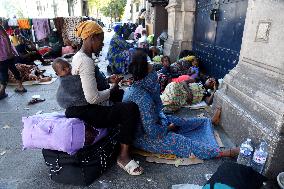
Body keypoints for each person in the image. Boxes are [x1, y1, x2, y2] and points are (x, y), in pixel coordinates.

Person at [123, 49, 239, 160]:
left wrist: (169, 124)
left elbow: (153, 118)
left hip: (154, 124)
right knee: (178, 141)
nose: (155, 74)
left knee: (179, 120)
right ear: (146, 76)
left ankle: (208, 122)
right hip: (144, 137)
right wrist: (169, 128)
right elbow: (153, 133)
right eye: (152, 72)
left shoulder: (140, 87)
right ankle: (224, 153)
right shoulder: (143, 98)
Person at [61, 21, 143, 176]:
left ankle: (122, 133)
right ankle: (123, 156)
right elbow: (92, 98)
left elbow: (88, 82)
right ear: (92, 38)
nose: (102, 44)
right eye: (101, 40)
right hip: (85, 110)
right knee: (129, 108)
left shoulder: (80, 56)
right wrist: (111, 89)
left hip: (78, 106)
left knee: (120, 95)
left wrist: (107, 81)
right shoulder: (85, 61)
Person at [0, 25, 26, 100]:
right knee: (11, 68)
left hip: (4, 53)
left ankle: (2, 91)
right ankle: (20, 87)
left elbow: (7, 37)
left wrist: (9, 51)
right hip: (5, 53)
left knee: (3, 72)